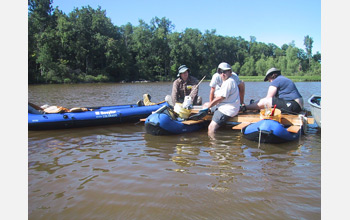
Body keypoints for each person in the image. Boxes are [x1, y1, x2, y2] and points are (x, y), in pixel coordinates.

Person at [200, 63, 240, 135]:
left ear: (230, 72)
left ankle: (213, 144)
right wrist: (208, 106)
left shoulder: (229, 82)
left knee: (211, 127)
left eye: (225, 72)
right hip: (224, 106)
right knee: (205, 105)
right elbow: (217, 95)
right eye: (220, 72)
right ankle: (212, 120)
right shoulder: (226, 82)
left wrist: (209, 106)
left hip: (226, 110)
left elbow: (220, 98)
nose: (222, 74)